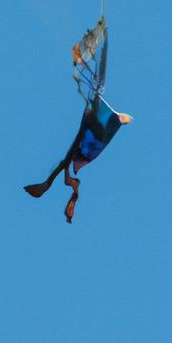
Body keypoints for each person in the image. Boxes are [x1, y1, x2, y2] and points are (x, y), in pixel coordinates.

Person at [24, 20, 132, 223]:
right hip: (91, 129)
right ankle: (57, 185)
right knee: (96, 88)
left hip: (90, 128)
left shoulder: (95, 107)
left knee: (95, 87)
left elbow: (99, 76)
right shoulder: (94, 105)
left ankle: (54, 185)